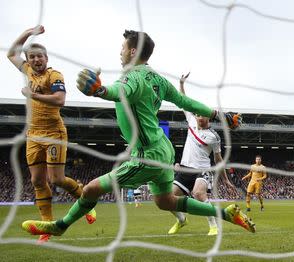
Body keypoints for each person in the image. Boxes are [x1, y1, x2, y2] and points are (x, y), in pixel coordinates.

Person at [21, 29, 255, 237]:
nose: (120, 52)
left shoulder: (132, 77)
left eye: (122, 48)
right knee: (166, 201)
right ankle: (225, 214)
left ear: (132, 51)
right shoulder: (157, 79)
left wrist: (100, 90)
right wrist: (219, 115)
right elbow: (185, 101)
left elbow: (119, 91)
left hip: (147, 154)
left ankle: (59, 226)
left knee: (91, 189)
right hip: (163, 148)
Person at [7, 25, 96, 243]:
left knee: (55, 179)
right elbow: (11, 53)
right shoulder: (27, 70)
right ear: (29, 60)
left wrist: (33, 95)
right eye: (32, 57)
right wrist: (29, 32)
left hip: (54, 133)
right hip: (33, 134)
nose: (36, 60)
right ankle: (47, 225)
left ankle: (85, 202)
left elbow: (60, 100)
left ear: (46, 58)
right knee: (37, 181)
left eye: (39, 56)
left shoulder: (54, 75)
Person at [167, 73, 237, 236]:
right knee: (167, 199)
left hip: (203, 171)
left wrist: (226, 180)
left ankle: (214, 226)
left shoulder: (214, 136)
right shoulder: (191, 122)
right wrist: (182, 84)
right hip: (185, 169)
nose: (198, 116)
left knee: (199, 194)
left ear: (208, 116)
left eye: (201, 114)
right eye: (197, 114)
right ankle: (181, 220)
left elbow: (218, 160)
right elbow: (182, 100)